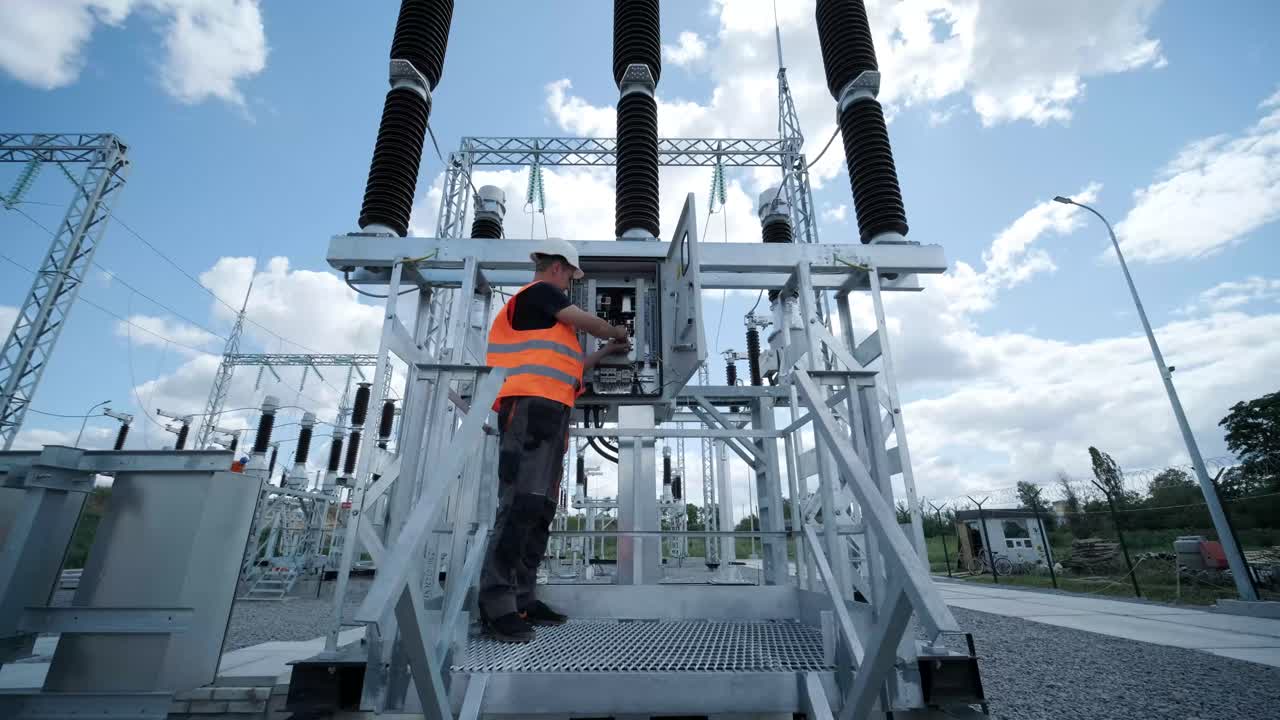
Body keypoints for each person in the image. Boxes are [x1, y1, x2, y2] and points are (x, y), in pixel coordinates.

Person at [480, 238, 630, 643]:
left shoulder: (548, 316)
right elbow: (590, 323)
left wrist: (605, 351)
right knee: (518, 505)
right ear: (559, 268)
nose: (569, 286)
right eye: (571, 277)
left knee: (540, 508)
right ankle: (496, 605)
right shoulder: (540, 293)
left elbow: (574, 366)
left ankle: (523, 599)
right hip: (527, 408)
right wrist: (616, 330)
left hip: (550, 413)